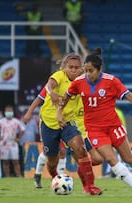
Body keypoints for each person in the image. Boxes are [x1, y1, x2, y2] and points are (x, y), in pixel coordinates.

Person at [58, 48, 132, 196]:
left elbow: (127, 95)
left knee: (129, 159)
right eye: (86, 70)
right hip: (95, 129)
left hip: (114, 126)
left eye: (91, 71)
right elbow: (67, 96)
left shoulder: (111, 81)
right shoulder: (79, 82)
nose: (88, 74)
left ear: (99, 69)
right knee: (111, 158)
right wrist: (59, 112)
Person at [39, 53, 102, 195]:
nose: (73, 70)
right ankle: (55, 177)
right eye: (70, 67)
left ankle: (90, 187)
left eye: (76, 68)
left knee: (80, 150)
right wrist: (52, 93)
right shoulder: (59, 76)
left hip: (68, 122)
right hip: (49, 122)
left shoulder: (82, 81)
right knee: (53, 161)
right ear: (64, 68)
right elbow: (49, 85)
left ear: (81, 69)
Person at [0, 105, 25, 177]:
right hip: (4, 143)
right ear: (5, 112)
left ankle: (18, 175)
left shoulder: (16, 121)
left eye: (10, 111)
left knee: (15, 161)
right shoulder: (1, 121)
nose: (9, 113)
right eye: (8, 111)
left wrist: (19, 138)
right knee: (5, 161)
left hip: (13, 143)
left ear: (12, 112)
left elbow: (23, 130)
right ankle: (7, 176)